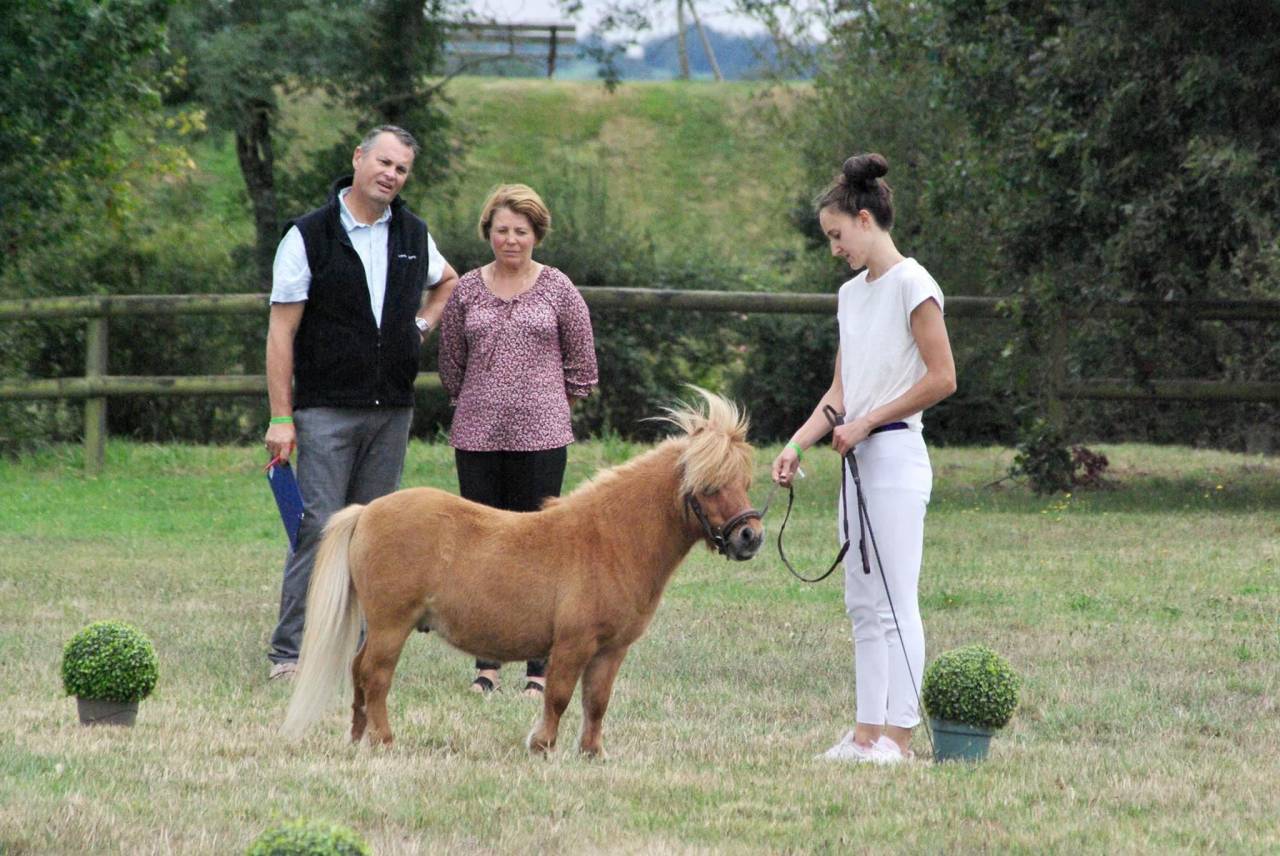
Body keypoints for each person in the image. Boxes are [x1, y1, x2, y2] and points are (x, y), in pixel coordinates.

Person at [771, 153, 956, 763]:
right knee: (862, 603)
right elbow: (840, 394)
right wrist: (796, 444)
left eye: (836, 235)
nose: (834, 248)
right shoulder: (850, 296)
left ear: (866, 220)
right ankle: (865, 735)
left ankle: (899, 740)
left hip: (896, 455)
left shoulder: (914, 284)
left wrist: (869, 422)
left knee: (896, 599)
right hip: (858, 459)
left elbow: (943, 378)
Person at [263, 125, 459, 680]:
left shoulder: (414, 234)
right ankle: (290, 653)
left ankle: (367, 653)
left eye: (401, 169)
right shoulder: (308, 235)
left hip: (391, 410)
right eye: (384, 162)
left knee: (378, 538)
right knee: (318, 529)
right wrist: (281, 417)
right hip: (325, 408)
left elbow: (448, 281)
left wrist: (419, 325)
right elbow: (280, 332)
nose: (391, 175)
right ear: (358, 158)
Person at [438, 183, 598, 697]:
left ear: (536, 235)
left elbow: (583, 364)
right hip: (477, 435)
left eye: (521, 231)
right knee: (481, 548)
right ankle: (486, 664)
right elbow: (450, 363)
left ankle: (538, 669)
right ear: (488, 232)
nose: (511, 240)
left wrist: (546, 404)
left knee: (540, 549)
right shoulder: (466, 289)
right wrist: (481, 400)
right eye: (502, 230)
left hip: (543, 437)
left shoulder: (558, 288)